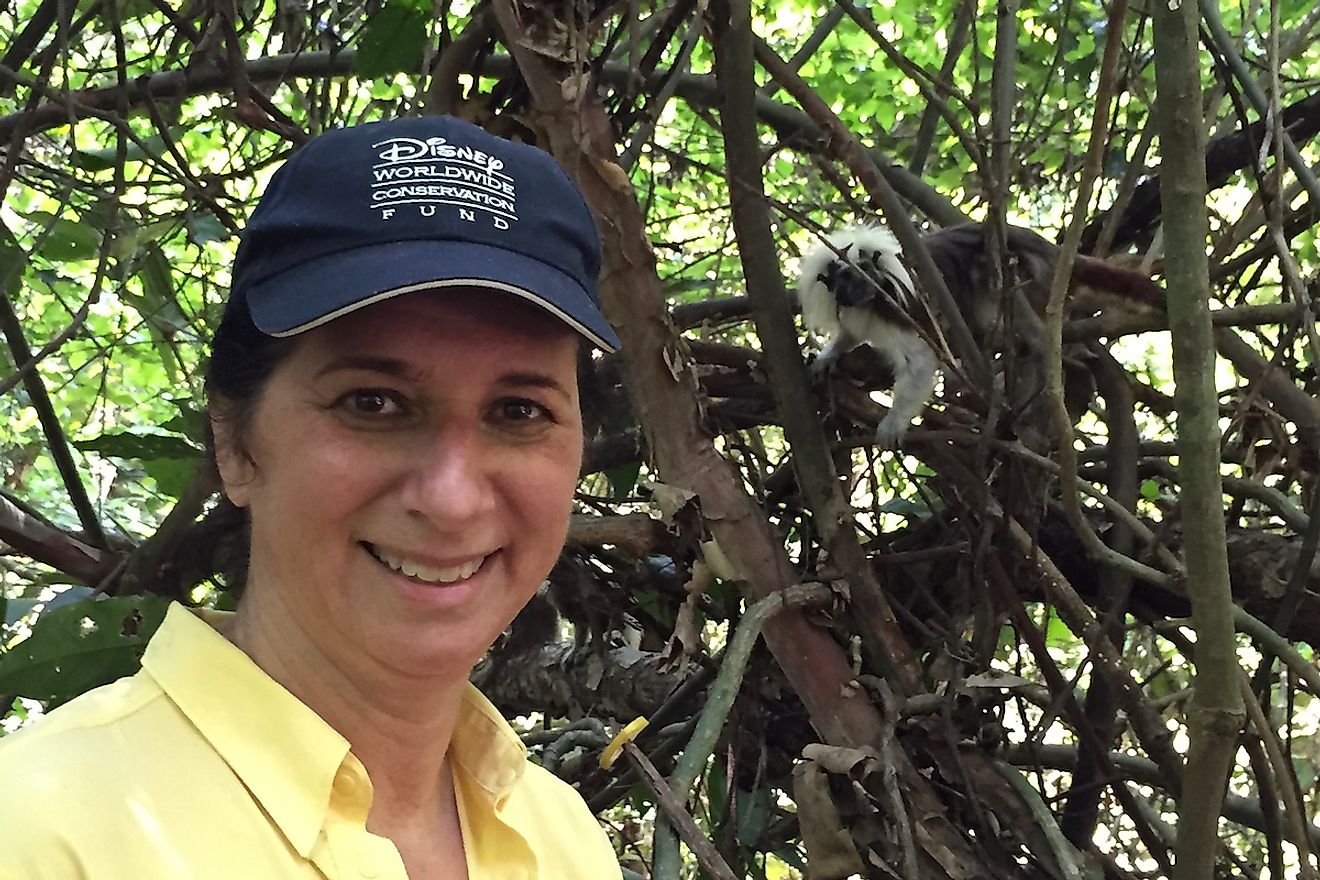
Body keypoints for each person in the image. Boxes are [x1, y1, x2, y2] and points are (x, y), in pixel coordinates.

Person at [0, 115, 623, 879]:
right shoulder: (39, 832)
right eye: (374, 403)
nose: (453, 500)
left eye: (519, 411)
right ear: (234, 441)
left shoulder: (561, 838)